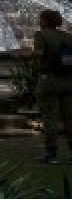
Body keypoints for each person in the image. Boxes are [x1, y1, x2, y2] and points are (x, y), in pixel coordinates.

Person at [34, 9, 72, 164]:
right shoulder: (68, 36)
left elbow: (39, 54)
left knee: (50, 118)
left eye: (40, 18)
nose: (38, 20)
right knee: (70, 118)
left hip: (49, 81)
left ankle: (51, 153)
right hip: (69, 82)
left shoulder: (41, 35)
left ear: (45, 21)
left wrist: (26, 54)